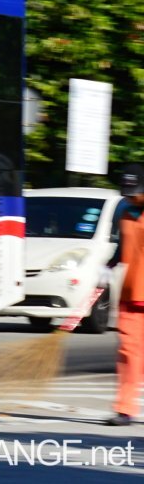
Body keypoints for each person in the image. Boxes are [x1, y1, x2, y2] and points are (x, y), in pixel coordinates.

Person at [106, 163, 144, 425]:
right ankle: (124, 409)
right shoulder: (124, 210)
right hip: (132, 294)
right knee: (128, 354)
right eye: (128, 192)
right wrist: (107, 266)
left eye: (136, 192)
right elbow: (123, 247)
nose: (131, 196)